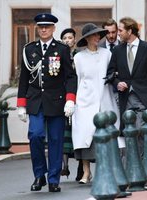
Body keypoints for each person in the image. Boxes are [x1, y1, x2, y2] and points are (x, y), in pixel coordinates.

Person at [17, 13, 77, 192]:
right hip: (35, 101)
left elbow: (70, 76)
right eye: (41, 26)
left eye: (47, 26)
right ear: (38, 28)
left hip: (57, 101)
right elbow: (24, 78)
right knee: (35, 136)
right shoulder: (29, 49)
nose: (44, 29)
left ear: (53, 28)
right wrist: (21, 103)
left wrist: (70, 100)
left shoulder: (62, 49)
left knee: (56, 140)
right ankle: (39, 175)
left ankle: (53, 179)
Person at [72, 23, 119, 184]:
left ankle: (104, 171)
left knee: (106, 136)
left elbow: (113, 74)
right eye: (94, 35)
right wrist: (73, 102)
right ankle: (86, 172)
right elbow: (76, 80)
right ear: (86, 38)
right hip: (85, 101)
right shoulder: (78, 57)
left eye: (99, 35)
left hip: (105, 99)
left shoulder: (107, 54)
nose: (97, 37)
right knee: (84, 136)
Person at [106, 17, 147, 156]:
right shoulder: (117, 50)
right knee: (129, 132)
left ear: (130, 31)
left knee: (141, 130)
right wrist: (117, 83)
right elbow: (110, 73)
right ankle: (133, 168)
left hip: (145, 98)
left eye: (121, 30)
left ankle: (142, 165)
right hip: (125, 98)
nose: (118, 33)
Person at [60, 28, 84, 181]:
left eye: (70, 37)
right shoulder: (58, 56)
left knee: (79, 132)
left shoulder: (79, 56)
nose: (67, 40)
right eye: (65, 38)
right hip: (64, 98)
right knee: (64, 133)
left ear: (74, 40)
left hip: (80, 97)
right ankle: (65, 166)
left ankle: (82, 166)